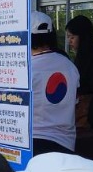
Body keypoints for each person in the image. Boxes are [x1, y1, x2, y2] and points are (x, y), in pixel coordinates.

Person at [30, 11, 79, 155]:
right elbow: (75, 103)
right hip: (66, 143)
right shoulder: (69, 65)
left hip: (33, 141)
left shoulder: (25, 68)